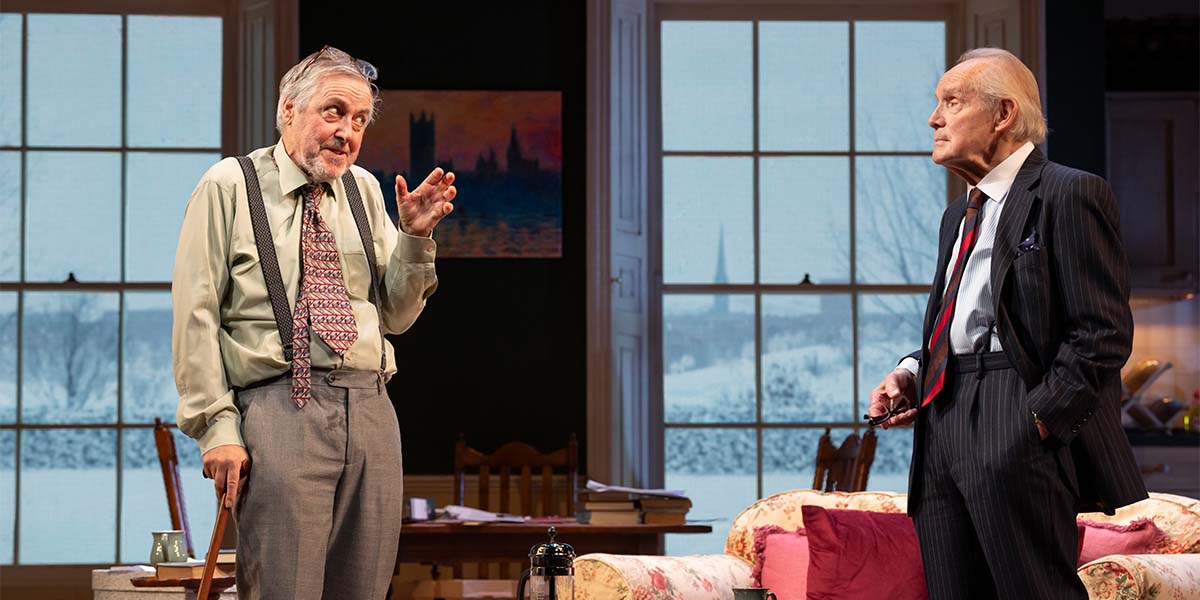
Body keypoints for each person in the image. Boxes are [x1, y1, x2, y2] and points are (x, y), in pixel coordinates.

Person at [172, 45, 455, 599]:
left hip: (371, 410)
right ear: (288, 110)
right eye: (334, 112)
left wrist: (415, 238)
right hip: (280, 410)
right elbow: (195, 318)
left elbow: (396, 316)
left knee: (364, 588)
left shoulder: (363, 190)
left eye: (360, 121)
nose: (347, 132)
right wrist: (217, 430)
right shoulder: (229, 186)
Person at [867, 47, 1147, 599]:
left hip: (1014, 412)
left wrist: (1037, 422)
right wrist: (912, 373)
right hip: (940, 427)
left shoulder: (1070, 193)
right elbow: (966, 324)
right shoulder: (957, 214)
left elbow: (1102, 333)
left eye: (952, 102)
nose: (934, 119)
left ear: (1003, 113)